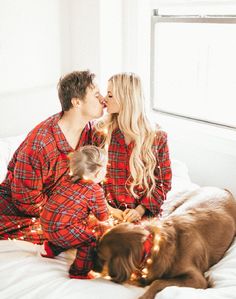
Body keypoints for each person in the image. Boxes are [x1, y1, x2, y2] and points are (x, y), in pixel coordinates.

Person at [0, 70, 105, 243]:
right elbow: (25, 200)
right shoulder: (40, 144)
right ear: (77, 102)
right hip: (21, 209)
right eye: (96, 95)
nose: (102, 100)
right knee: (75, 233)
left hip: (59, 206)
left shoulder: (91, 133)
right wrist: (65, 211)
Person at [96, 72, 172, 223]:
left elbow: (163, 183)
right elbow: (91, 181)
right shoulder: (100, 132)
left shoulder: (157, 137)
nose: (104, 99)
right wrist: (109, 210)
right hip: (106, 213)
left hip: (143, 215)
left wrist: (139, 210)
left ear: (126, 99)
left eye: (110, 95)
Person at [40, 145, 109, 279]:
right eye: (105, 168)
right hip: (61, 231)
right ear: (98, 172)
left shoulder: (67, 180)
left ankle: (52, 248)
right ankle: (79, 272)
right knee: (90, 239)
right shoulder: (95, 190)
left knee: (67, 223)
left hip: (46, 226)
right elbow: (103, 216)